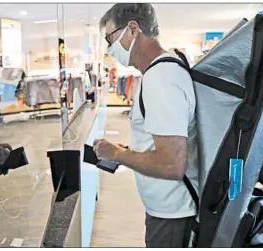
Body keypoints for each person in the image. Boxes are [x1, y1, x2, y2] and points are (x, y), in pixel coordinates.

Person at [95, 4, 198, 248]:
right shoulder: (160, 72)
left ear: (132, 29)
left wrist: (118, 154)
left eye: (109, 39)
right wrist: (128, 151)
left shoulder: (161, 79)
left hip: (173, 215)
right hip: (167, 210)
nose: (109, 49)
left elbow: (172, 164)